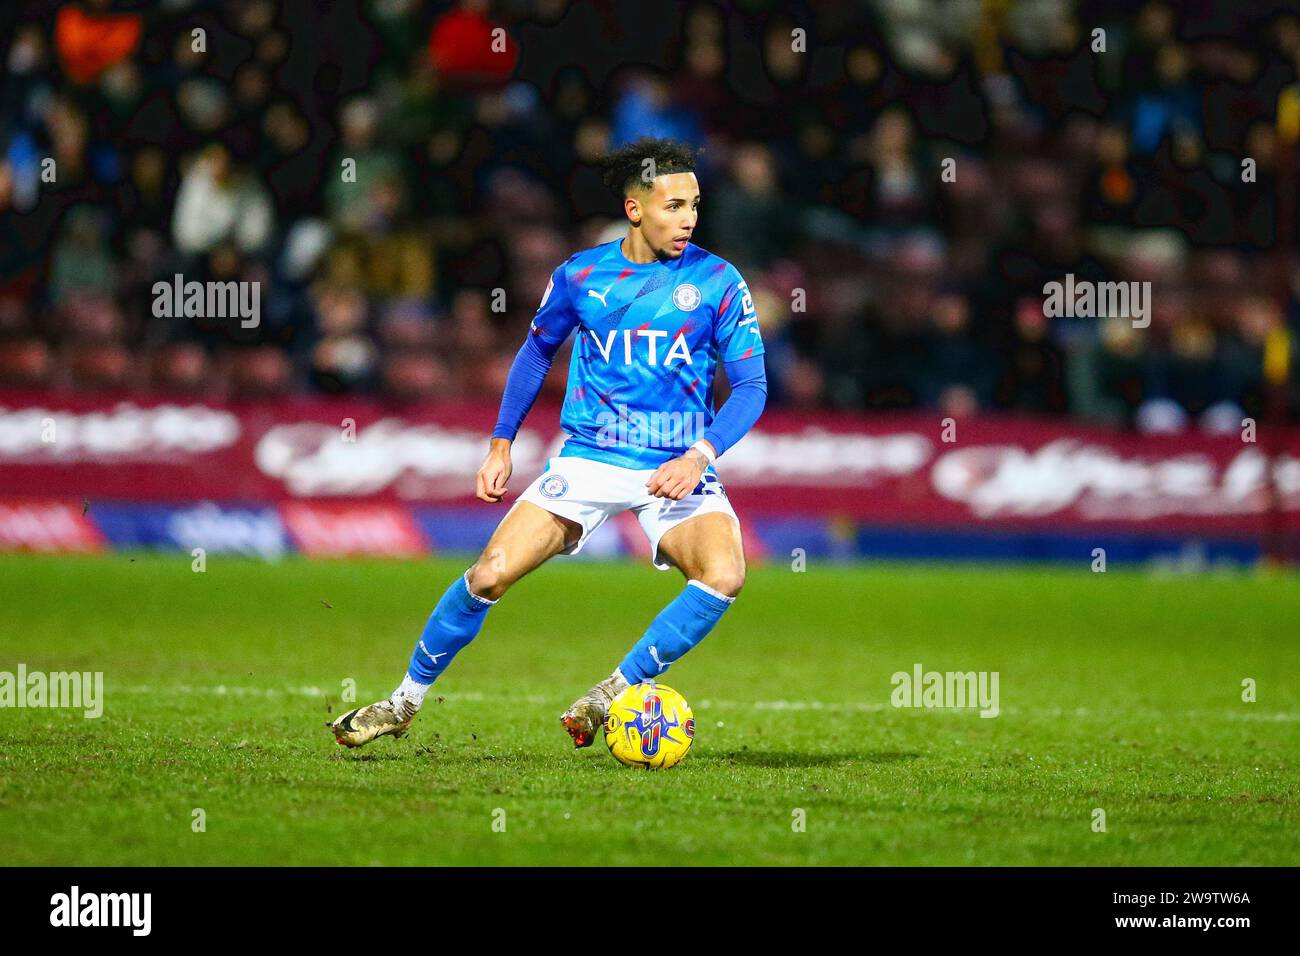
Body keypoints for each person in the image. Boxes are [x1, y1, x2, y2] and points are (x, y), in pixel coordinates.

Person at [330, 137, 768, 749]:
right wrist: (502, 441)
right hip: (592, 457)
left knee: (724, 574)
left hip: (676, 462)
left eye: (694, 203)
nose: (689, 217)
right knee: (490, 574)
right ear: (635, 209)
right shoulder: (582, 275)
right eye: (673, 205)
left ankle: (614, 690)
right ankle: (402, 702)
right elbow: (537, 350)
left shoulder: (719, 281)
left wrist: (699, 456)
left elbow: (750, 386)